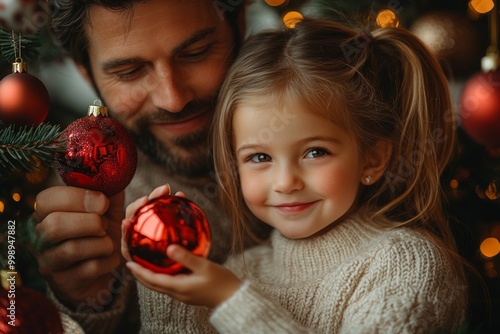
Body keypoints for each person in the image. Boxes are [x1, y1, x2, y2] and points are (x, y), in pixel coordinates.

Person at [121, 17, 469, 333]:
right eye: (259, 157)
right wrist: (165, 280)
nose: (286, 182)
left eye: (315, 152)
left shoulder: (405, 266)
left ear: (372, 160)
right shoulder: (241, 270)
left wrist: (231, 301)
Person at [32, 1, 266, 333]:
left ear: (239, 24)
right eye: (129, 72)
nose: (172, 98)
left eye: (196, 52)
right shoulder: (82, 196)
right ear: (86, 72)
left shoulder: (326, 108)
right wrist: (90, 303)